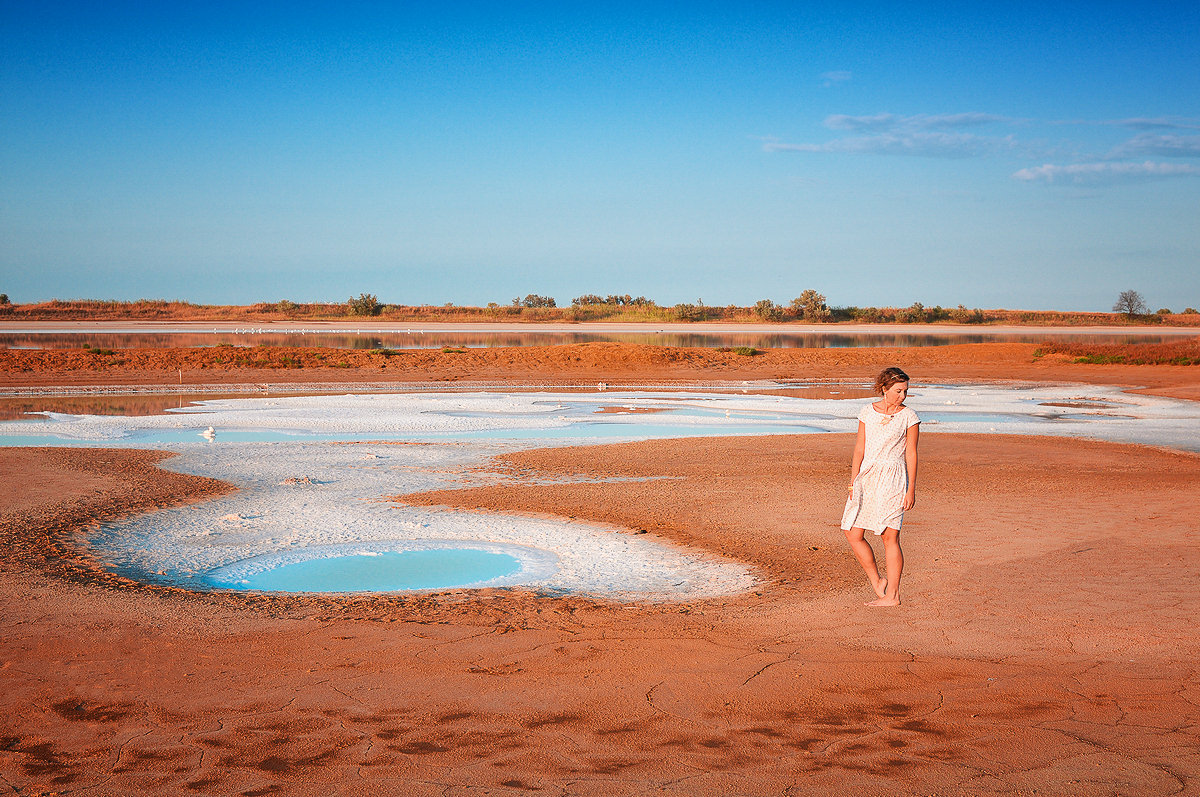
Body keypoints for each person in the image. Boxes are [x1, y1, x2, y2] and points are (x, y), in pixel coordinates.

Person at [841, 367, 920, 607]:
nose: (902, 396)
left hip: (893, 477)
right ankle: (877, 582)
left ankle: (893, 596)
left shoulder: (909, 416)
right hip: (867, 477)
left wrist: (911, 489)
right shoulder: (867, 412)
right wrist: (853, 480)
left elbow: (912, 453)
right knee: (852, 532)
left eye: (905, 391)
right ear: (884, 388)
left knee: (889, 536)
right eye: (898, 391)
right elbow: (859, 448)